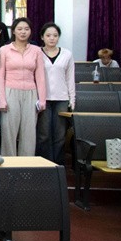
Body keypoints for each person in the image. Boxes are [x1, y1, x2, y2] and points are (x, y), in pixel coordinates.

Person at [0, 17, 46, 157]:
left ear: (30, 31)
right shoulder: (4, 50)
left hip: (31, 93)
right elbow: (0, 76)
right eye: (19, 29)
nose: (23, 32)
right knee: (9, 132)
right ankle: (9, 165)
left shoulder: (36, 50)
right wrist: (2, 99)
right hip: (10, 92)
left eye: (26, 29)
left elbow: (40, 76)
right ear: (13, 31)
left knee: (29, 133)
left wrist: (42, 99)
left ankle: (27, 165)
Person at [36, 23, 75, 165]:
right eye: (48, 35)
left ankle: (58, 166)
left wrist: (72, 99)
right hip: (43, 98)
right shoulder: (37, 53)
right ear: (42, 37)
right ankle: (45, 165)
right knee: (44, 134)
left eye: (55, 35)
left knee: (60, 135)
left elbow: (70, 78)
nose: (52, 38)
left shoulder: (67, 54)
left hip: (62, 98)